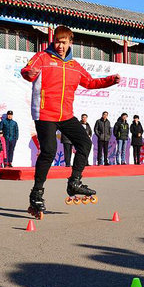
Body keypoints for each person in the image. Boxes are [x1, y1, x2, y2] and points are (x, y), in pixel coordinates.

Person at [20, 25, 119, 217]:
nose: (60, 46)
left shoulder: (74, 66)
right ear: (53, 41)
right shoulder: (43, 57)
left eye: (64, 42)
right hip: (45, 113)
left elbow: (90, 82)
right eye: (57, 41)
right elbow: (27, 70)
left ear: (70, 43)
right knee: (48, 151)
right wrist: (29, 74)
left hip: (66, 115)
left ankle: (74, 182)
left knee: (84, 143)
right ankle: (37, 194)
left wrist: (110, 80)